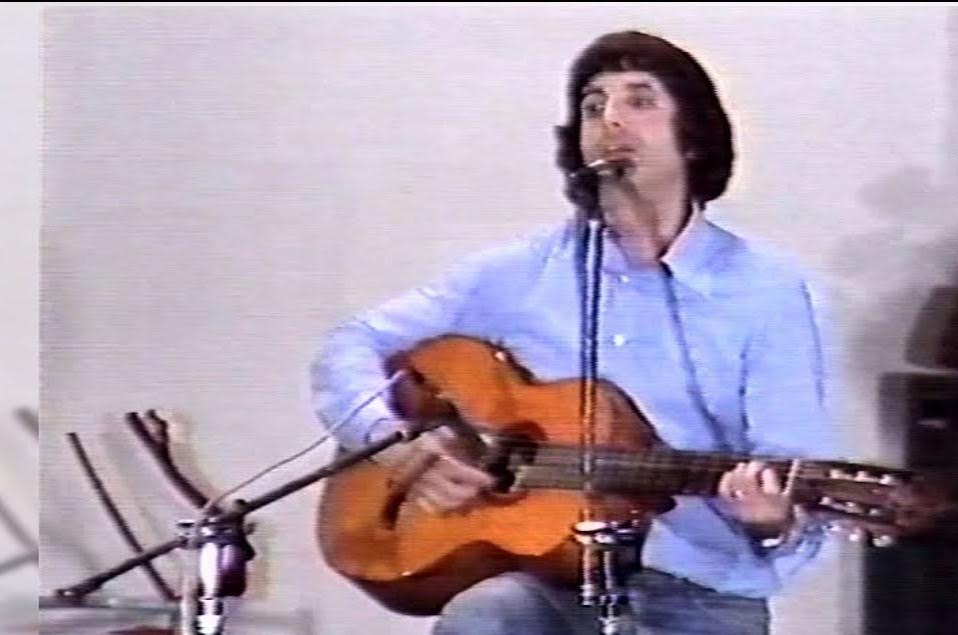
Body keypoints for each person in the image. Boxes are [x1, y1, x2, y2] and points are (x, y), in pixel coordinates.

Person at [310, 30, 840, 635]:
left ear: (694, 138)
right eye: (593, 106)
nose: (610, 120)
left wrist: (771, 518)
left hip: (701, 589)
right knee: (483, 615)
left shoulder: (768, 289)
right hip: (551, 579)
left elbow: (791, 474)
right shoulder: (524, 271)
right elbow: (354, 343)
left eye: (640, 101)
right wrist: (394, 443)